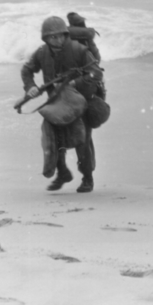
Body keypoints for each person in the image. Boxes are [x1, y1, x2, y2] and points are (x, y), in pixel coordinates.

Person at [21, 16, 103, 193]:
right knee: (52, 138)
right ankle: (63, 172)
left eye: (60, 36)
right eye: (53, 37)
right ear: (46, 38)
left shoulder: (79, 50)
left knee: (82, 141)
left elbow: (96, 73)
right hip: (56, 103)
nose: (57, 40)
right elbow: (27, 70)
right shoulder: (41, 53)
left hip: (80, 102)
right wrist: (31, 87)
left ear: (65, 35)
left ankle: (87, 178)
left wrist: (75, 83)